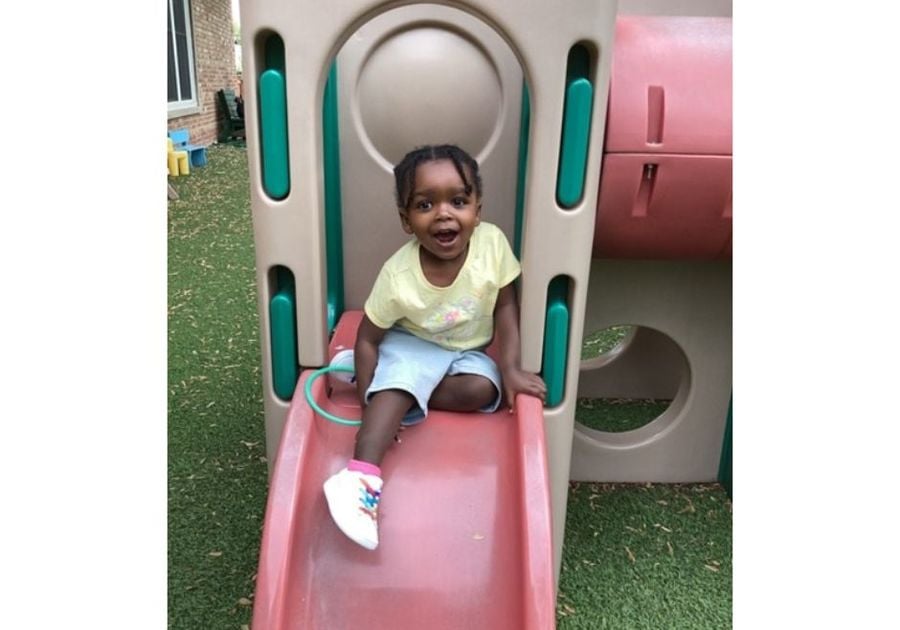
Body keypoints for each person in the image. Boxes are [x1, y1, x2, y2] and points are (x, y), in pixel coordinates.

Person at [323, 144, 547, 550]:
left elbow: (507, 304)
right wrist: (371, 404)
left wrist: (511, 367)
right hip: (411, 344)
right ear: (406, 220)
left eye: (458, 201)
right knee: (401, 381)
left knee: (485, 390)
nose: (444, 213)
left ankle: (388, 383)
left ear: (477, 209)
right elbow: (369, 338)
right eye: (425, 204)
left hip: (465, 353)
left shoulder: (492, 245)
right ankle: (359, 477)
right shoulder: (398, 275)